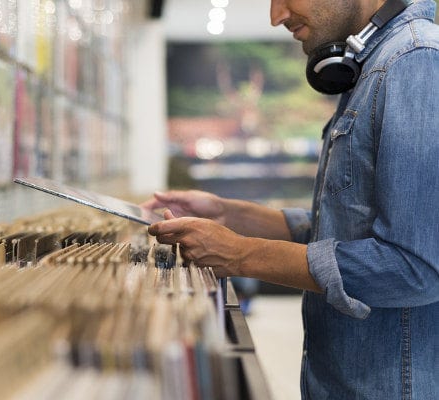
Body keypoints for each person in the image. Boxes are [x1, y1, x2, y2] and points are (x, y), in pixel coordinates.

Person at [143, 0, 439, 398]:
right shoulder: (375, 65)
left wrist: (241, 254)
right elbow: (345, 226)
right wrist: (228, 214)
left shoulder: (413, 62)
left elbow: (416, 267)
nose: (276, 15)